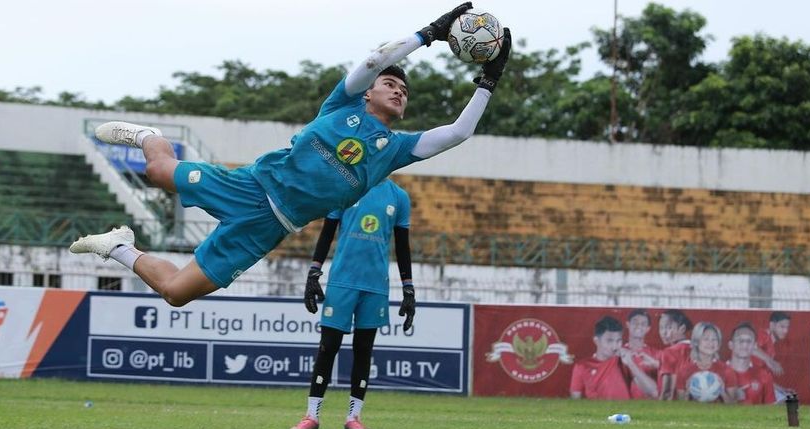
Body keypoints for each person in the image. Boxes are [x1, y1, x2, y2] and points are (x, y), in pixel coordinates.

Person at [69, 2, 511, 308]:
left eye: (404, 91)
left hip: (269, 227)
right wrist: (428, 34)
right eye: (391, 84)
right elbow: (376, 59)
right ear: (370, 91)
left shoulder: (395, 150)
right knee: (158, 170)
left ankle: (118, 246)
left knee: (177, 292)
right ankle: (148, 134)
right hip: (251, 187)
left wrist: (489, 79)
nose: (397, 90)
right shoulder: (342, 103)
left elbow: (458, 132)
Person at [289, 179, 414, 429]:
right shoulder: (346, 187)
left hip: (375, 285)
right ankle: (311, 416)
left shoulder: (399, 197)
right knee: (328, 347)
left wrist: (408, 288)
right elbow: (327, 232)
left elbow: (402, 246)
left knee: (363, 349)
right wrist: (314, 273)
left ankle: (353, 418)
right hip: (342, 282)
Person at [570, 315, 655, 400]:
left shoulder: (626, 359)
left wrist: (631, 364)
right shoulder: (582, 366)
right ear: (596, 341)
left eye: (618, 341)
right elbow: (575, 401)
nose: (615, 346)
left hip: (625, 412)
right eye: (609, 341)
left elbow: (652, 392)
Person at [675, 322, 737, 403]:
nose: (710, 343)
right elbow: (680, 406)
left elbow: (732, 407)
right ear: (696, 342)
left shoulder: (727, 371)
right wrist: (688, 391)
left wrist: (722, 391)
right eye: (706, 339)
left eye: (714, 339)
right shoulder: (684, 371)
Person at [727, 322, 776, 405]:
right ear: (731, 345)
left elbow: (771, 412)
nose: (745, 345)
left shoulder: (765, 376)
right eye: (740, 340)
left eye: (749, 341)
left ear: (754, 346)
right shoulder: (717, 373)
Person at [752, 311, 792, 402]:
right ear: (772, 325)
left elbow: (766, 378)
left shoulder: (772, 349)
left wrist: (781, 389)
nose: (785, 331)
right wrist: (770, 360)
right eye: (782, 327)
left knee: (788, 399)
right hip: (748, 384)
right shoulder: (763, 335)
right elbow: (751, 348)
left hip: (759, 383)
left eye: (787, 327)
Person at [623, 309, 661, 399]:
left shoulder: (656, 354)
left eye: (643, 324)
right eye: (635, 322)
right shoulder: (617, 352)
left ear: (648, 329)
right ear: (628, 324)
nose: (638, 326)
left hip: (649, 405)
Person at [656, 309, 692, 400]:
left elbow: (666, 390)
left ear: (682, 329)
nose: (664, 332)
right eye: (661, 328)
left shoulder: (669, 352)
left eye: (668, 327)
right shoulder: (697, 349)